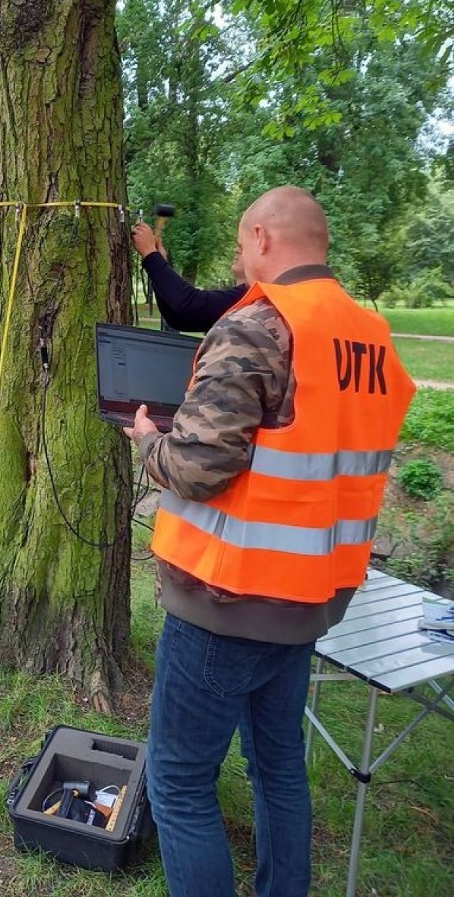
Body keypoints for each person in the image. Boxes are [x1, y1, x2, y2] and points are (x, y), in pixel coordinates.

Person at [124, 186, 415, 897]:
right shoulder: (370, 336)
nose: (236, 256)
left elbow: (197, 466)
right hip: (312, 597)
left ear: (261, 236)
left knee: (180, 781)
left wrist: (149, 443)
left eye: (238, 243)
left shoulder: (258, 323)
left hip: (226, 597)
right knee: (278, 767)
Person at [131, 220, 245, 331]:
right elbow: (179, 318)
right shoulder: (248, 298)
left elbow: (191, 306)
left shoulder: (256, 299)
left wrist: (151, 255)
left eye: (247, 244)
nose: (237, 249)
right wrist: (157, 261)